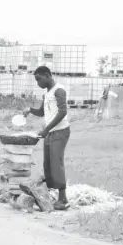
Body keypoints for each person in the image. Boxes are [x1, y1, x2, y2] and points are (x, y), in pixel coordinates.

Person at [22, 66, 70, 211]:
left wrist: (46, 129)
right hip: (50, 133)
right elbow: (42, 112)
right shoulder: (47, 93)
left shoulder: (59, 90)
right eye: (36, 80)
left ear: (48, 75)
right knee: (47, 165)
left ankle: (63, 199)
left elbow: (63, 112)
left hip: (60, 132)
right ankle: (47, 196)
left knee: (56, 163)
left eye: (39, 79)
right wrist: (30, 110)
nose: (38, 83)